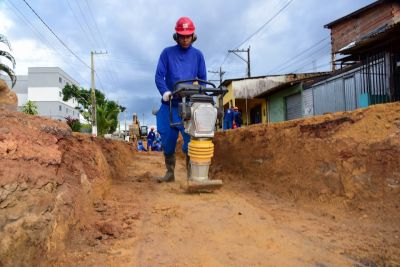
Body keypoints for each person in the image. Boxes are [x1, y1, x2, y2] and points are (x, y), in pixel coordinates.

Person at [155, 16, 207, 182]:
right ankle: (170, 172)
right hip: (169, 104)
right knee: (167, 139)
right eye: (182, 36)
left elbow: (203, 80)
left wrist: (198, 95)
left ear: (193, 36)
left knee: (191, 140)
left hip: (188, 105)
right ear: (176, 36)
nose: (185, 39)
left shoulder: (198, 55)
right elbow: (159, 76)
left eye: (188, 36)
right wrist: (165, 92)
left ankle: (192, 175)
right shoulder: (167, 53)